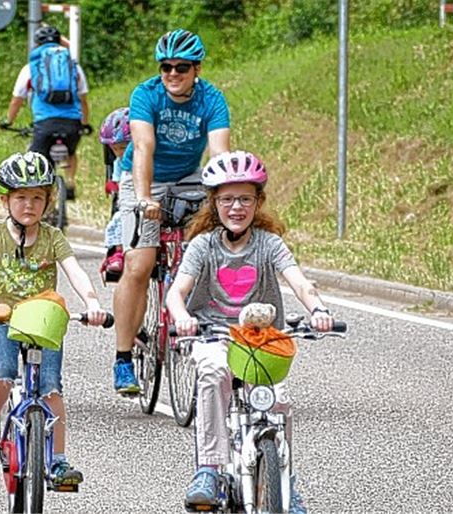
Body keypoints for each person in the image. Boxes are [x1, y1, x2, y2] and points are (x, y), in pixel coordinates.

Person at [166, 150, 329, 513]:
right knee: (212, 373)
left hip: (260, 339)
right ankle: (208, 469)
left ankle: (287, 486)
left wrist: (317, 309)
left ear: (258, 202)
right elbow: (177, 292)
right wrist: (181, 317)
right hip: (212, 335)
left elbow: (299, 283)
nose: (236, 207)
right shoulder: (203, 245)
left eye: (244, 198)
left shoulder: (269, 244)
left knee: (278, 400)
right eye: (227, 199)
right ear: (214, 203)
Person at [0, 151, 107, 486]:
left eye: (37, 198)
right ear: (5, 200)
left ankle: (57, 461)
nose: (29, 205)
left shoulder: (53, 237)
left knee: (51, 389)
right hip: (4, 320)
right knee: (3, 373)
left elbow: (75, 272)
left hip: (44, 323)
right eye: (21, 197)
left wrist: (92, 302)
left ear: (48, 201)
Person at [111, 29, 231, 394]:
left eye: (181, 68)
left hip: (190, 178)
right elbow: (143, 147)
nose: (173, 75)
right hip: (144, 178)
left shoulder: (212, 99)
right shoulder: (146, 94)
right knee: (140, 263)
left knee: (210, 253)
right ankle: (123, 358)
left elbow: (219, 153)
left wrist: (224, 198)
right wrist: (146, 199)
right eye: (166, 68)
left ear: (197, 69)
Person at [0, 26, 91, 200]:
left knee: (35, 159)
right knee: (71, 152)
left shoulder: (31, 67)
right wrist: (84, 123)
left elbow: (16, 100)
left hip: (45, 123)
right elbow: (83, 99)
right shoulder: (73, 66)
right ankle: (70, 182)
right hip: (72, 122)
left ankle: (42, 194)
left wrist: (8, 121)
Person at [98, 107, 131, 280]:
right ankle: (117, 252)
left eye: (125, 147)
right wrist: (113, 185)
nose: (121, 153)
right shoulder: (119, 163)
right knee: (117, 222)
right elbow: (117, 181)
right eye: (116, 149)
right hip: (128, 199)